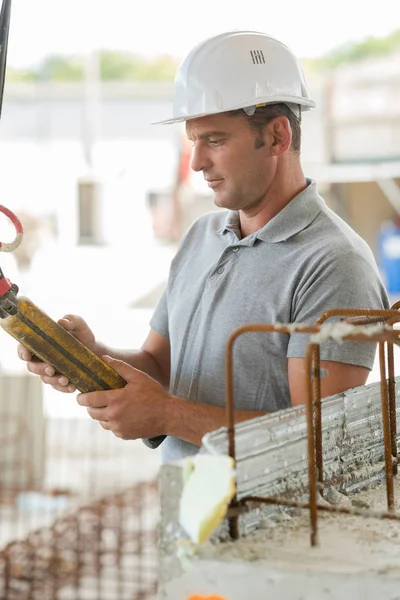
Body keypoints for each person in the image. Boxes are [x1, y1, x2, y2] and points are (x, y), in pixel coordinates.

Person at [19, 31, 390, 463]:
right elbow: (160, 368)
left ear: (277, 137)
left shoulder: (333, 264)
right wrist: (89, 355)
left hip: (272, 527)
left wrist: (168, 415)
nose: (196, 163)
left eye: (214, 140)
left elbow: (323, 441)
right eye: (193, 141)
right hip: (189, 509)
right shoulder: (202, 237)